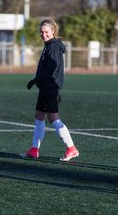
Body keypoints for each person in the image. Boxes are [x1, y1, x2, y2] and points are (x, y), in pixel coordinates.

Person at [21, 18, 79, 161]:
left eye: (46, 32)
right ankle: (34, 150)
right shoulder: (48, 45)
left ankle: (72, 149)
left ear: (53, 31)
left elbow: (52, 69)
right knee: (39, 116)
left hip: (50, 88)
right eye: (41, 32)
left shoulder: (53, 47)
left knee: (54, 119)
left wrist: (37, 79)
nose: (43, 34)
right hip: (45, 87)